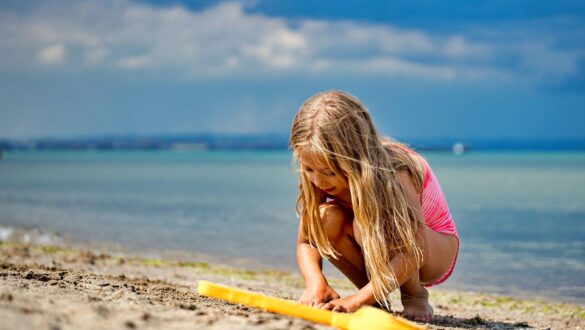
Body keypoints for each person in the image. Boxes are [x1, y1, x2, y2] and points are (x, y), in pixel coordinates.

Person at [290, 90, 459, 323]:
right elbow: (307, 241)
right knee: (323, 218)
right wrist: (316, 284)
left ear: (354, 157)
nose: (318, 180)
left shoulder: (394, 170)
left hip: (432, 251)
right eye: (308, 169)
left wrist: (356, 301)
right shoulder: (318, 168)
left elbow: (415, 248)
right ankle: (375, 299)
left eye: (329, 172)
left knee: (368, 221)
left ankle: (415, 294)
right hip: (377, 246)